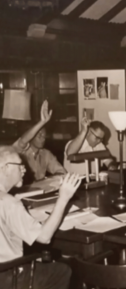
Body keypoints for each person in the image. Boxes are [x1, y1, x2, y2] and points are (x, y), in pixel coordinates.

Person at [0, 145, 81, 289]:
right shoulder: (9, 203)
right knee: (62, 271)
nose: (24, 169)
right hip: (7, 278)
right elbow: (44, 237)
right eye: (19, 165)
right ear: (5, 168)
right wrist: (63, 198)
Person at [13, 100, 66, 183]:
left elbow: (62, 172)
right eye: (39, 135)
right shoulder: (21, 153)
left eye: (44, 136)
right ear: (31, 136)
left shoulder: (46, 154)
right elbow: (22, 142)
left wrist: (46, 180)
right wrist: (42, 122)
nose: (43, 138)